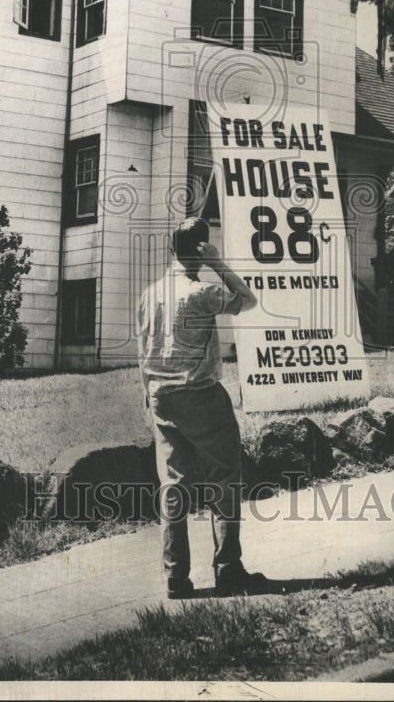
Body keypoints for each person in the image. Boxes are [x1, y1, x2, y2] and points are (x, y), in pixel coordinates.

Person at [137, 216, 263, 599]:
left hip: (159, 394)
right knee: (224, 479)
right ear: (199, 249)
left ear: (171, 249)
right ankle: (228, 568)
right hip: (200, 394)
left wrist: (147, 397)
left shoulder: (149, 294)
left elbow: (143, 352)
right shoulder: (201, 291)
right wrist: (218, 264)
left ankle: (176, 577)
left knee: (173, 486)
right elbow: (248, 300)